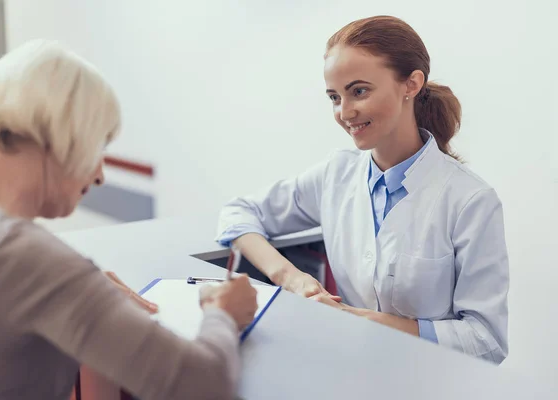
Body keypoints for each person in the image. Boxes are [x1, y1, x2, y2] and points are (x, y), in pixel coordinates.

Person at [0, 39, 258, 400]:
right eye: (98, 145)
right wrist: (221, 313)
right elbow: (202, 384)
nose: (99, 175)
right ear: (60, 134)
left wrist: (72, 290)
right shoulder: (20, 256)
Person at [216, 15, 509, 364]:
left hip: (431, 380)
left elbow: (487, 340)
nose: (345, 112)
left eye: (359, 91)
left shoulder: (470, 201)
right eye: (334, 97)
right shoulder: (335, 174)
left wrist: (360, 321)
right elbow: (237, 214)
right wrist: (291, 278)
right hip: (350, 368)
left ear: (411, 84)